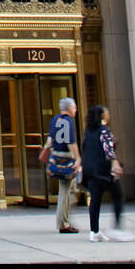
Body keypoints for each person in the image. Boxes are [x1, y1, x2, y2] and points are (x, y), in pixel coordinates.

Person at [81, 103, 135, 242]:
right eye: (106, 112)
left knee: (95, 201)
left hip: (91, 172)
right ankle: (117, 228)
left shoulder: (87, 132)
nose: (108, 114)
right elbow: (108, 149)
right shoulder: (104, 130)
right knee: (118, 195)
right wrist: (115, 163)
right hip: (104, 171)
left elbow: (85, 149)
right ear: (101, 115)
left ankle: (94, 231)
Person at [46, 96, 81, 233]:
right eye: (74, 107)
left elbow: (49, 140)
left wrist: (46, 156)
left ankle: (64, 221)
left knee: (66, 192)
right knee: (65, 193)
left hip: (56, 158)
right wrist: (78, 159)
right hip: (66, 160)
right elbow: (71, 142)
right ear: (68, 108)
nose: (75, 110)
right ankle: (63, 223)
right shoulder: (68, 122)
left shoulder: (55, 120)